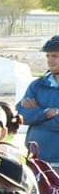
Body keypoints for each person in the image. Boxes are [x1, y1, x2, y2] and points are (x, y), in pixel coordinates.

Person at [16, 36, 59, 164]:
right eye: (48, 56)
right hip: (36, 161)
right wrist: (45, 113)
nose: (50, 61)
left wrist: (36, 116)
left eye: (55, 56)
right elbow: (21, 115)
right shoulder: (37, 85)